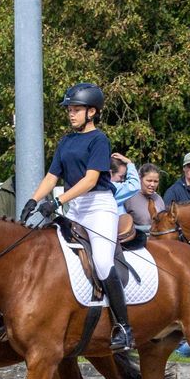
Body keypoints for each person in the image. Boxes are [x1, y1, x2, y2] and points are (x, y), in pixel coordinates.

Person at [21, 82, 132, 351]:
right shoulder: (66, 141)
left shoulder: (99, 140)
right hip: (75, 206)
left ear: (91, 112)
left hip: (98, 207)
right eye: (69, 109)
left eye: (76, 109)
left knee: (103, 264)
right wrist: (34, 199)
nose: (71, 114)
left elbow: (92, 179)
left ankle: (124, 328)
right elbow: (51, 176)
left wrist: (58, 200)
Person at [125, 163, 167, 232]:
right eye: (149, 181)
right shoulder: (129, 198)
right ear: (140, 179)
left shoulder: (159, 199)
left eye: (156, 181)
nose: (152, 184)